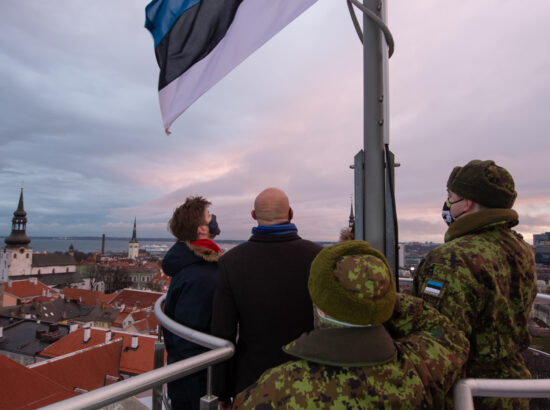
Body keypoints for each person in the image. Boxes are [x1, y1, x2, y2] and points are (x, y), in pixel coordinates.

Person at [233, 240, 470, 409]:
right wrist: (377, 299)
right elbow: (445, 330)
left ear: (319, 304)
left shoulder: (272, 391)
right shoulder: (421, 368)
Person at [412, 159, 537, 410]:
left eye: (451, 197)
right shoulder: (522, 249)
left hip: (467, 394)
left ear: (467, 203)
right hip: (514, 389)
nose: (448, 204)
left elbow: (438, 342)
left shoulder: (451, 259)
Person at [210, 187, 323, 406]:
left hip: (252, 386)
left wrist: (221, 393)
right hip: (310, 383)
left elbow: (222, 332)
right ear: (291, 213)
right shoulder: (319, 258)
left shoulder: (231, 263)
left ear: (253, 215)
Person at [162, 196, 222, 410]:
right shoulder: (201, 276)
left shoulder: (192, 264)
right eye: (209, 216)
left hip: (187, 379)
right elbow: (191, 343)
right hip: (195, 385)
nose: (214, 218)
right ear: (202, 230)